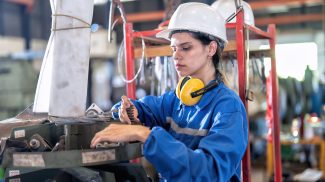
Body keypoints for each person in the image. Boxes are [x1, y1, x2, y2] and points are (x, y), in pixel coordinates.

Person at [91, 2, 248, 182]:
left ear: (211, 49)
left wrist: (144, 134)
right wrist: (129, 110)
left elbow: (208, 172)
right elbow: (145, 108)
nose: (176, 55)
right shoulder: (175, 100)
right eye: (173, 48)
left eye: (186, 48)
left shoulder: (228, 107)